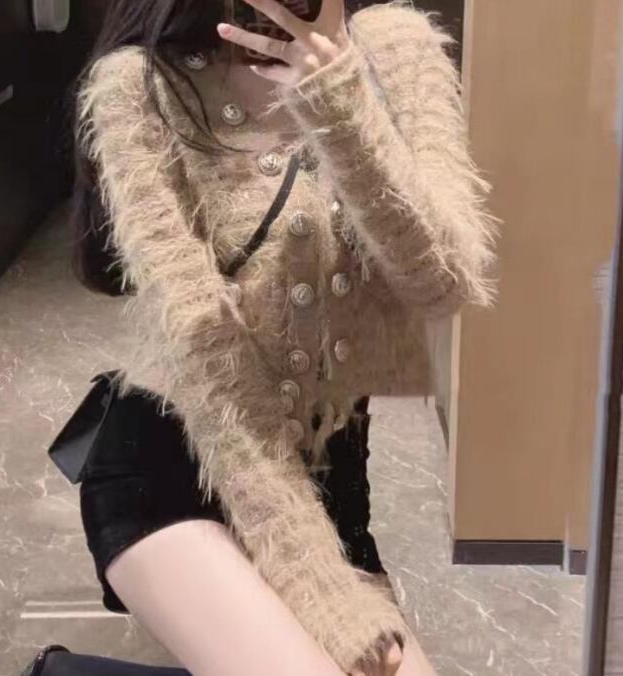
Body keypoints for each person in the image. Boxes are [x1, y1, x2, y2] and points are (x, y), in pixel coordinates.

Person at [55, 0, 495, 674]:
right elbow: (211, 365)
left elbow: (443, 283)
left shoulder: (396, 51)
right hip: (179, 462)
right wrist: (323, 589)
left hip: (328, 476)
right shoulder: (144, 85)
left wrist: (339, 102)